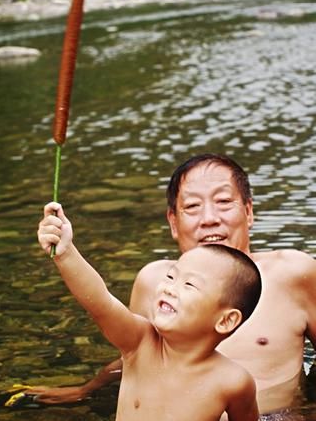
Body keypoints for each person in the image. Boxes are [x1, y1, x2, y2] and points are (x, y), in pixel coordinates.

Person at [28, 153, 316, 418]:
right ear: (173, 222)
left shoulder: (294, 273)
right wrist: (87, 391)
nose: (209, 219)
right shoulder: (155, 280)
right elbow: (127, 342)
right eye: (192, 206)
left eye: (224, 202)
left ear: (249, 211)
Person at [38, 201, 262, 421]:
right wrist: (66, 254)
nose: (170, 288)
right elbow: (100, 303)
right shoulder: (139, 343)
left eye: (189, 285)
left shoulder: (233, 382)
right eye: (171, 277)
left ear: (226, 320)